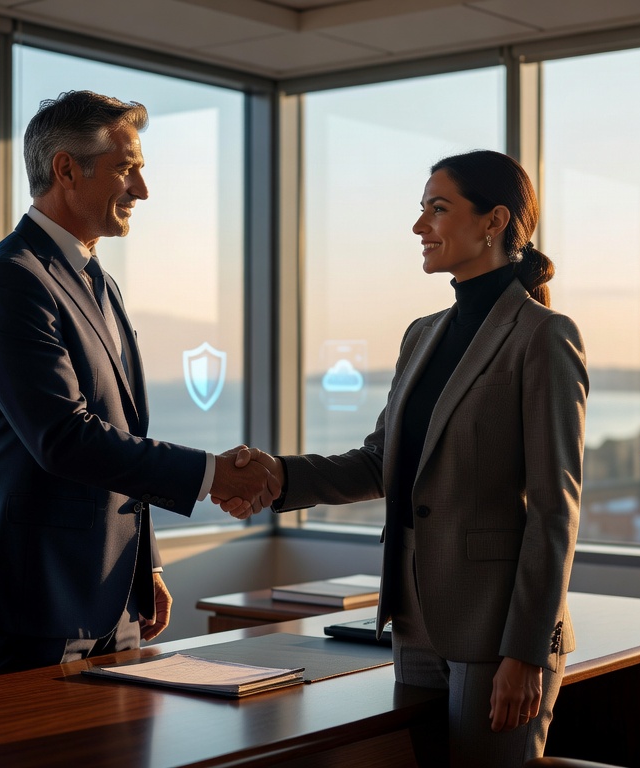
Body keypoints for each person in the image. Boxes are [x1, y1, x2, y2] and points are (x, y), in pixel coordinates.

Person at [240, 150, 587, 766]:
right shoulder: (421, 334)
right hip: (413, 620)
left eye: (438, 208)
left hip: (495, 631)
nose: (419, 225)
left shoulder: (543, 337)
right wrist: (281, 474)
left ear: (493, 221)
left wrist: (526, 650)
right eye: (421, 208)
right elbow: (382, 462)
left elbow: (554, 512)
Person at [0, 90, 278, 674]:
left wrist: (143, 562)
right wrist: (211, 473)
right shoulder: (10, 283)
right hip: (35, 597)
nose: (142, 190)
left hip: (112, 596)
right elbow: (64, 439)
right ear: (66, 169)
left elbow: (121, 431)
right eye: (127, 170)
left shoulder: (98, 281)